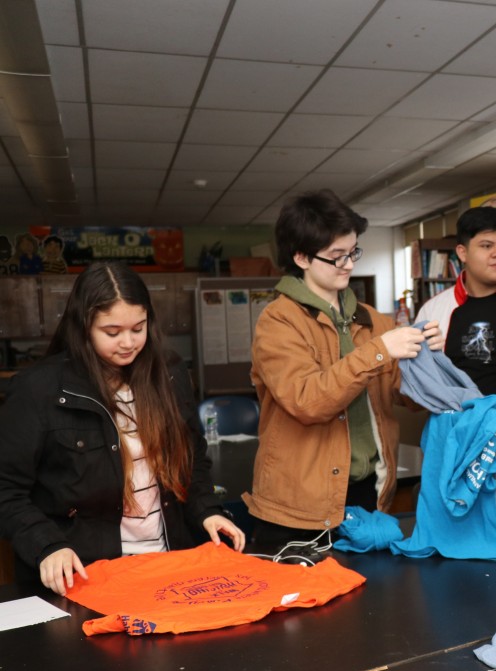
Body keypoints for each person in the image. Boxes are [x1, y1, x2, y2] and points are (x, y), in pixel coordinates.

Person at [0, 262, 246, 595]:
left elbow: (192, 460)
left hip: (170, 562)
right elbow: (7, 491)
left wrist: (206, 511)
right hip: (89, 574)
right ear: (83, 326)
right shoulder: (38, 390)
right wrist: (47, 545)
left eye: (138, 328)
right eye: (112, 332)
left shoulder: (169, 372)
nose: (128, 343)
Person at [245, 190, 442, 550]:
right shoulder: (278, 321)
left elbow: (411, 397)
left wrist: (429, 358)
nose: (349, 264)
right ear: (301, 257)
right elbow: (308, 401)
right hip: (298, 508)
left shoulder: (372, 319)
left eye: (353, 252)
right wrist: (380, 352)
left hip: (369, 494)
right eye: (336, 257)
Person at [416, 206, 496, 398]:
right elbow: (420, 377)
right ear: (462, 252)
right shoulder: (432, 311)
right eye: (486, 246)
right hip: (456, 423)